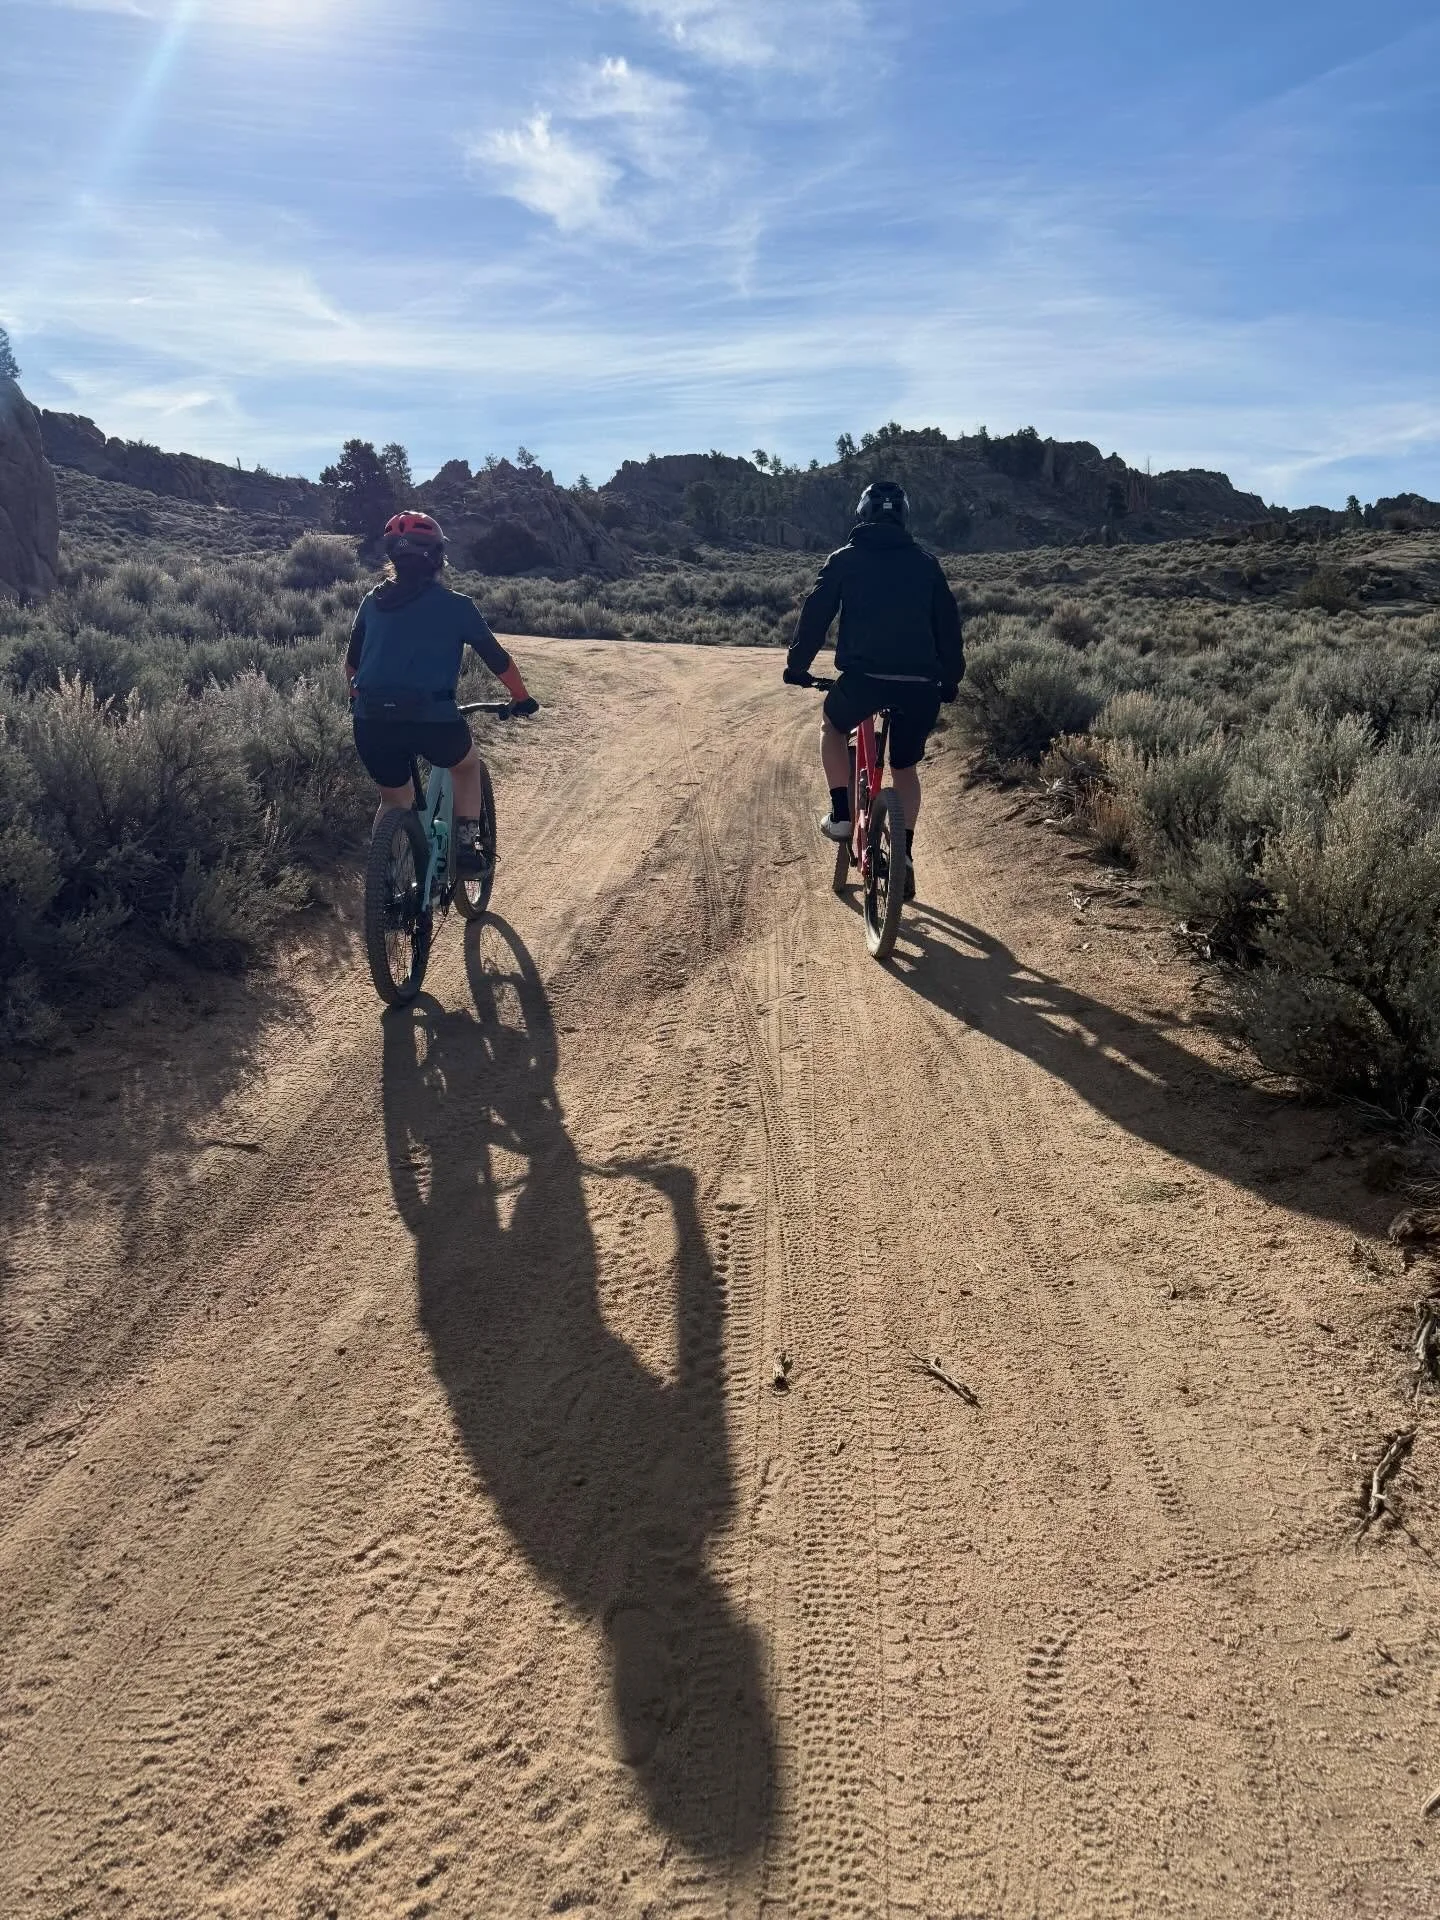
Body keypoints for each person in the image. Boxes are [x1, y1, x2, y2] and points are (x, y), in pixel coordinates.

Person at [784, 479, 963, 898]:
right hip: (920, 687)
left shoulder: (845, 559)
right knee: (905, 768)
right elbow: (949, 628)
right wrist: (950, 678)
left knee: (831, 727)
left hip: (863, 682)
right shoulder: (927, 563)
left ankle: (842, 815)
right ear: (905, 519)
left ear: (862, 515)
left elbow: (816, 614)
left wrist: (798, 666)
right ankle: (904, 853)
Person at [346, 511, 538, 872]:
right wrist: (521, 698)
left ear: (392, 559)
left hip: (372, 720)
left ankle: (384, 884)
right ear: (437, 558)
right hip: (433, 720)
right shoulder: (457, 606)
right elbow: (498, 661)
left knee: (393, 800)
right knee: (466, 767)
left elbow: (351, 665)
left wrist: (359, 699)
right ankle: (466, 853)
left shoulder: (372, 601)